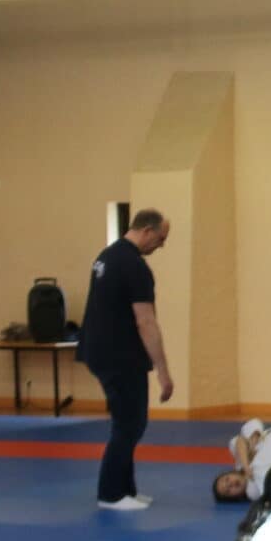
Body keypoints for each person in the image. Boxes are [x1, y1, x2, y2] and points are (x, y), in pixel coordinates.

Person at [75, 209, 172, 511]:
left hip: (102, 351)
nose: (161, 245)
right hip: (119, 356)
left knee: (130, 422)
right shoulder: (134, 266)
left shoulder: (106, 257)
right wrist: (163, 370)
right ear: (145, 230)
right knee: (129, 423)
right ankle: (111, 493)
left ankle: (126, 488)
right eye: (160, 238)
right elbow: (146, 322)